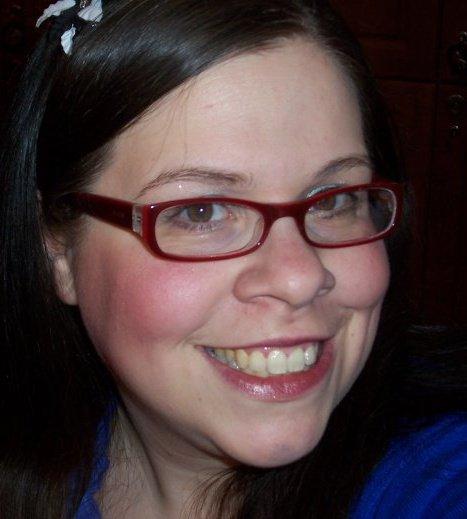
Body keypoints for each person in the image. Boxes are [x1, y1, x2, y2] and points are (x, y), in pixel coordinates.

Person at [1, 1, 466, 517]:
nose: (299, 277)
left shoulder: (441, 480)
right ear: (59, 250)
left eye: (334, 201)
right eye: (201, 212)